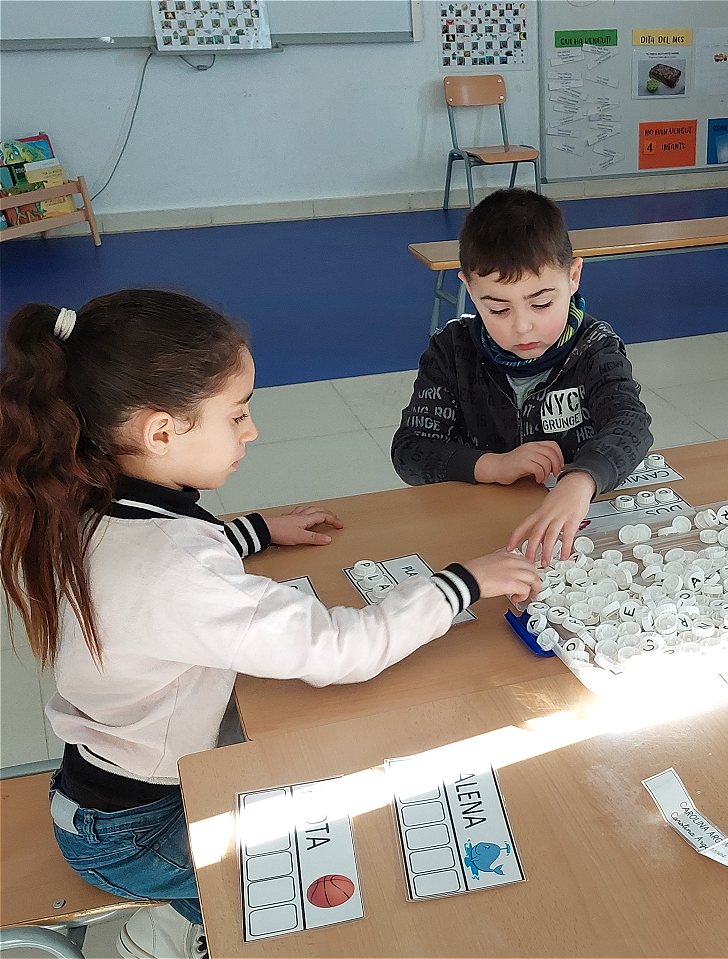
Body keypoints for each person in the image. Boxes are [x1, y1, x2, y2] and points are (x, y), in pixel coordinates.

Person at [0, 291, 540, 959]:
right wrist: (463, 583)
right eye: (237, 414)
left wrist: (253, 530)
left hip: (105, 793)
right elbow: (339, 649)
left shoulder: (83, 488)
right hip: (136, 832)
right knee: (322, 902)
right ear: (161, 432)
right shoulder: (173, 570)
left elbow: (167, 563)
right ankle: (169, 934)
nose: (252, 431)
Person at [392, 188, 653, 563]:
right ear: (469, 290)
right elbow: (410, 450)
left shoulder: (594, 347)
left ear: (573, 277)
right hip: (479, 529)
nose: (523, 327)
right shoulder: (451, 351)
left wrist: (582, 478)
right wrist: (492, 465)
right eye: (499, 310)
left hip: (574, 526)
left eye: (542, 303)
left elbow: (630, 421)